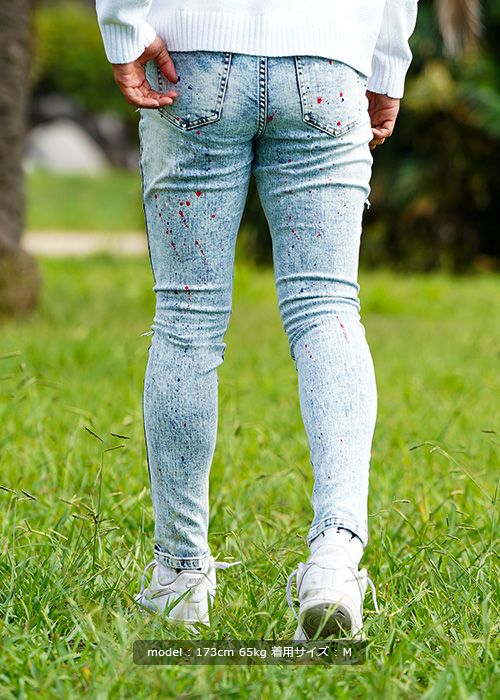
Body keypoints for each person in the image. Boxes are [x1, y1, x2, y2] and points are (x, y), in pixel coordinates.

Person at [95, 0, 419, 640]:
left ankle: (180, 578)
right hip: (330, 57)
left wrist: (123, 26)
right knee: (327, 307)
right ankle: (334, 562)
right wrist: (387, 64)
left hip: (191, 61)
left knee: (187, 318)